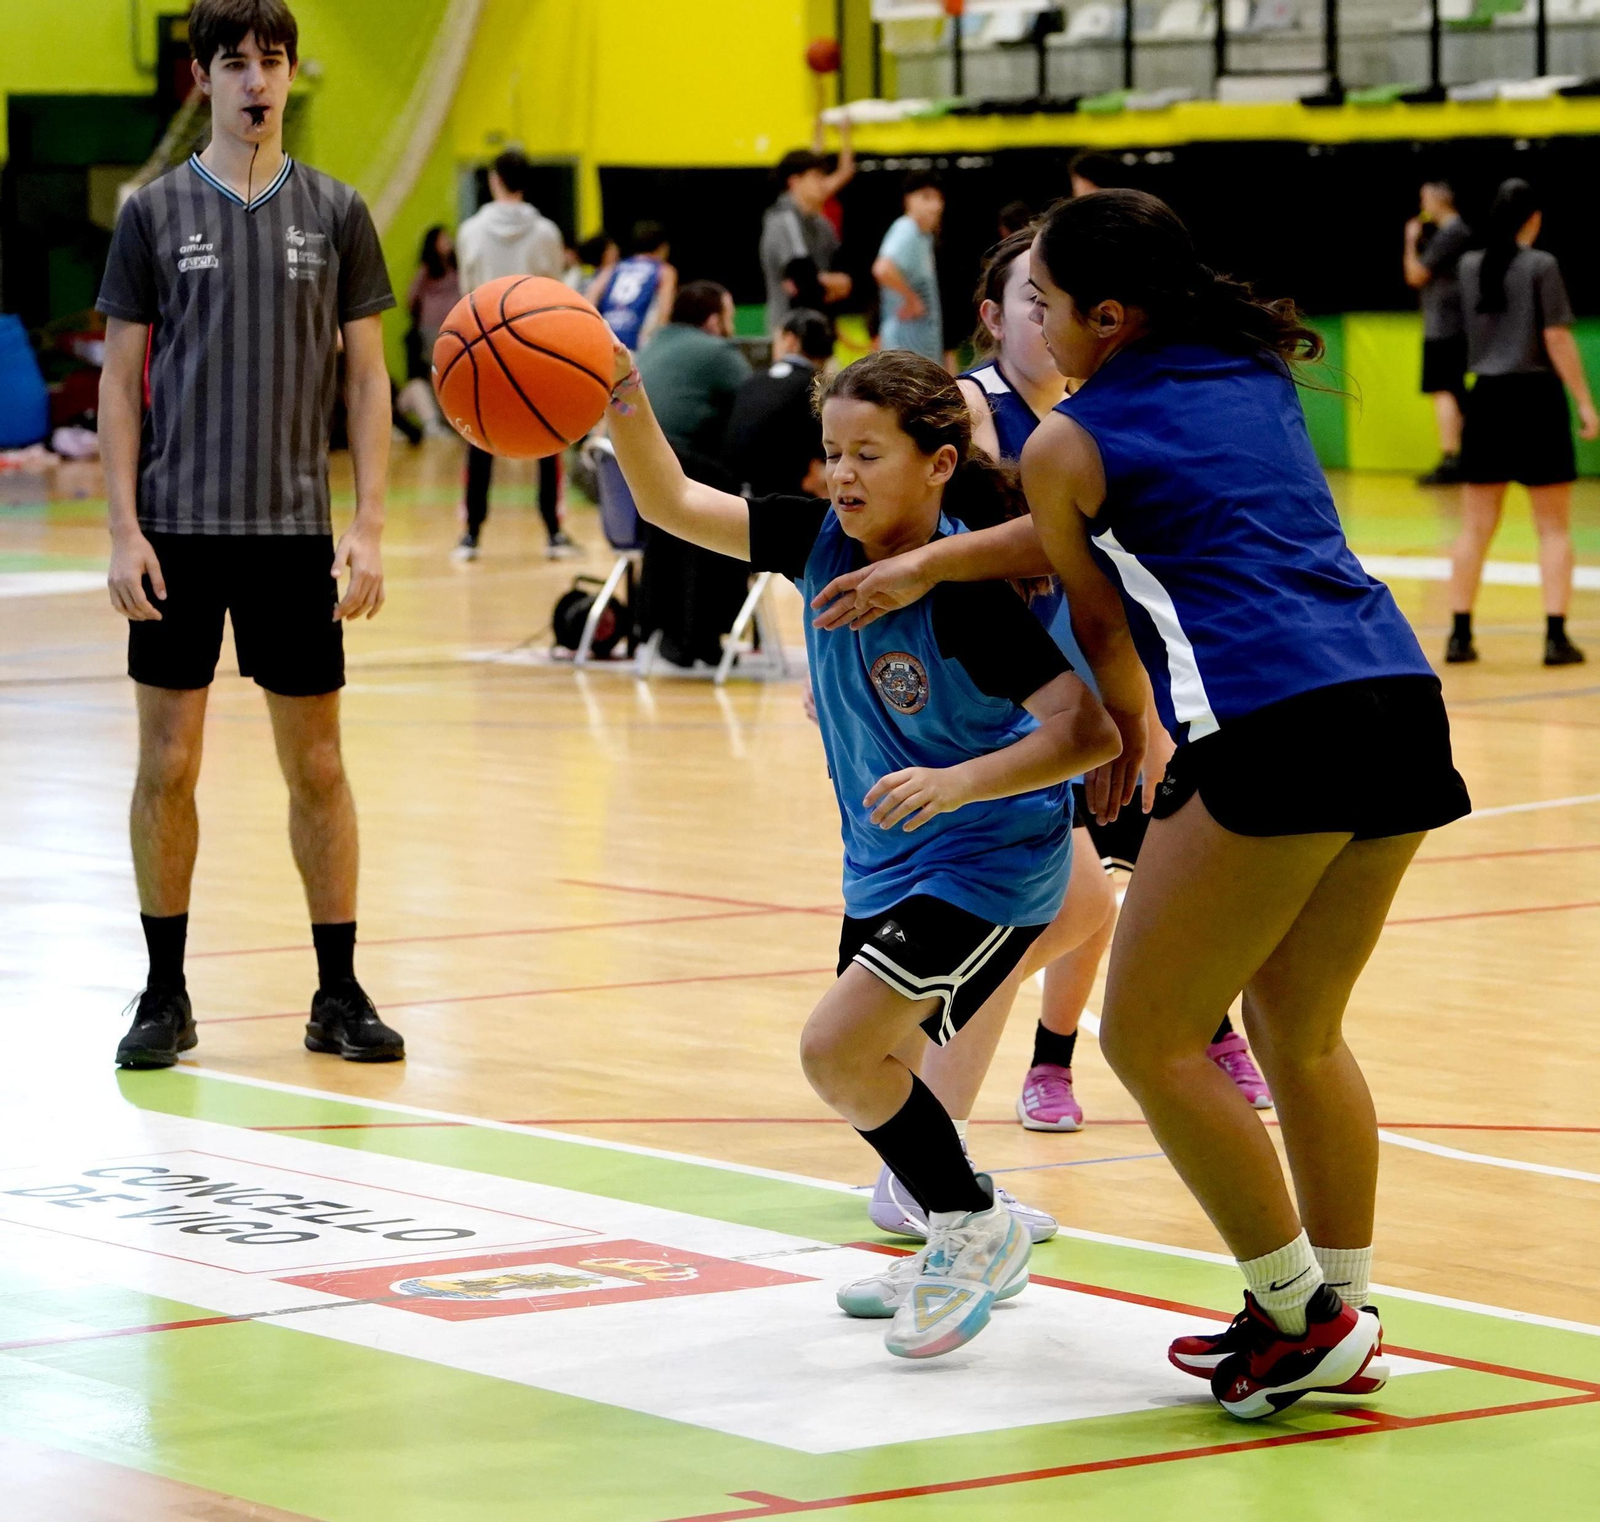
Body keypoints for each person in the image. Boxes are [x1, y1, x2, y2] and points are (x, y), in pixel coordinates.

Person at [811, 189, 1473, 1418]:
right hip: (1394, 696)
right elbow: (1083, 543)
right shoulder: (1247, 372)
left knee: (1148, 1036)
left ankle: (1292, 1312)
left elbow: (1084, 588)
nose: (1036, 328)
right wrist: (928, 560)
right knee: (1299, 1030)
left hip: (1272, 721)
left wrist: (1116, 722)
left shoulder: (1068, 443)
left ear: (1105, 317)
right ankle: (1339, 1301)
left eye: (1047, 306)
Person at [606, 338, 1121, 1359]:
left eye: (866, 455)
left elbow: (1086, 732)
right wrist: (618, 386)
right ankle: (973, 1224)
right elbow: (668, 502)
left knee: (832, 1050)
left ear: (936, 463)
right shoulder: (812, 544)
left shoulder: (968, 589)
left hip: (987, 857)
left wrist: (954, 782)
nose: (839, 474)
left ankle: (967, 1225)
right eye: (831, 452)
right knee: (868, 1070)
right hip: (886, 858)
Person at [98, 0, 405, 1069]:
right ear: (203, 79)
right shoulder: (149, 213)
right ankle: (164, 991)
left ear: (289, 74)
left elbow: (368, 379)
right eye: (236, 62)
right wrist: (122, 526)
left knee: (317, 765)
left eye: (272, 59)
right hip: (177, 531)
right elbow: (122, 386)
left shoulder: (337, 209)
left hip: (291, 535)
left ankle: (337, 990)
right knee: (167, 764)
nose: (257, 79)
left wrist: (366, 525)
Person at [952, 231, 1272, 1133]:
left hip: (1126, 673)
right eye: (1030, 301)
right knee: (1079, 892)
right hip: (1031, 697)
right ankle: (1041, 1061)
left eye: (1053, 302)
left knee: (1155, 870)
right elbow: (997, 542)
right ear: (994, 317)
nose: (1044, 320)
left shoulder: (1105, 405)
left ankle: (1201, 1028)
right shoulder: (975, 408)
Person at [1447, 179, 1599, 668]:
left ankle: (1459, 635)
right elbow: (1556, 337)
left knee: (1474, 529)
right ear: (1533, 219)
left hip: (1487, 399)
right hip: (1536, 400)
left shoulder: (1469, 265)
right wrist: (1584, 402)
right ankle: (1555, 638)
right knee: (1553, 528)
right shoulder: (1541, 265)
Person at [454, 150, 576, 563]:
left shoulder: (469, 231)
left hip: (483, 344)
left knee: (479, 438)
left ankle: (470, 535)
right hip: (536, 346)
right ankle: (554, 533)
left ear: (493, 179)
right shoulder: (546, 232)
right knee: (548, 438)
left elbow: (467, 292)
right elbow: (556, 294)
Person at [632, 281, 753, 669]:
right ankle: (705, 633)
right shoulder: (715, 351)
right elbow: (758, 398)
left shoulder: (652, 344)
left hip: (631, 483)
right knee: (741, 515)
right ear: (714, 320)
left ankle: (673, 629)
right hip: (682, 476)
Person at [1403, 182, 1473, 486]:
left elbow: (1415, 274)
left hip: (1445, 326)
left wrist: (1410, 240)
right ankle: (1464, 457)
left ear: (1439, 199)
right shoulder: (1456, 233)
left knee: (1443, 389)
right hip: (1453, 324)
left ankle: (1451, 458)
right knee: (1455, 391)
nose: (1423, 204)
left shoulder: (1452, 233)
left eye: (1425, 198)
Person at [723, 308, 834, 498]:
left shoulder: (752, 381)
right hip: (792, 496)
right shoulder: (819, 388)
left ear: (790, 340)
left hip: (737, 493)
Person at [760, 119, 856, 336]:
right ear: (794, 182)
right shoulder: (782, 219)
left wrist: (820, 282)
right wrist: (824, 283)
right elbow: (805, 281)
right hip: (791, 334)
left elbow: (848, 278)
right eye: (816, 177)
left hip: (821, 330)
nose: (823, 183)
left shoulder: (821, 224)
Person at [873, 173, 946, 367]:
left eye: (938, 198)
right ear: (908, 200)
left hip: (919, 350)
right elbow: (882, 269)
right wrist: (911, 299)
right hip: (904, 349)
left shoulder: (924, 237)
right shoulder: (906, 229)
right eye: (926, 197)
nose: (935, 206)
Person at [401, 225, 459, 434]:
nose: (447, 243)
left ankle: (454, 419)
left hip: (455, 330)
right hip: (431, 330)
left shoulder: (455, 270)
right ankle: (437, 419)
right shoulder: (426, 272)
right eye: (442, 239)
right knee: (435, 374)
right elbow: (411, 299)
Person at [591, 221, 677, 353]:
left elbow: (589, 300)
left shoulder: (612, 269)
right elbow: (664, 312)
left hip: (608, 343)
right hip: (638, 347)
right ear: (663, 247)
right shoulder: (664, 271)